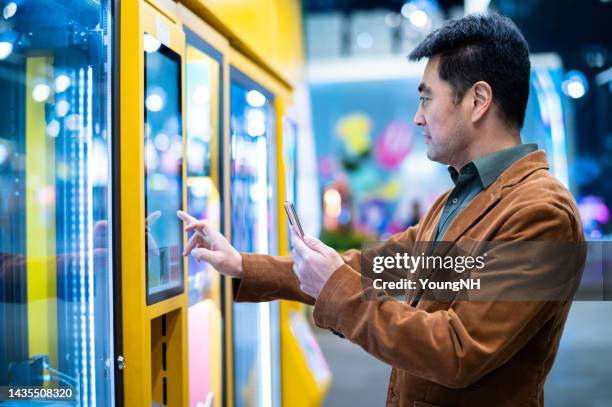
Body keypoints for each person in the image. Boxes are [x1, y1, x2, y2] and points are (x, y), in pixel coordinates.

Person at [177, 13, 585, 407]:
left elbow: (458, 350)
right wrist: (243, 265)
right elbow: (369, 268)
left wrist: (335, 285)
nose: (417, 117)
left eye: (427, 99)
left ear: (477, 100)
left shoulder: (542, 214)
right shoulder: (458, 199)